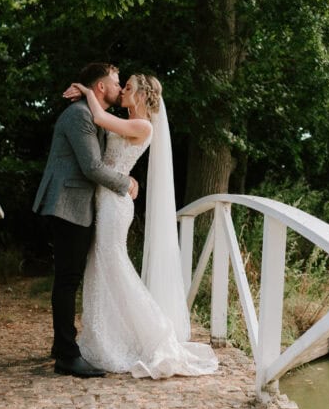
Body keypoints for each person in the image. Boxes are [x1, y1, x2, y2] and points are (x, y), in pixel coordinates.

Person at [64, 73, 218, 378]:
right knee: (101, 267)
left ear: (142, 96)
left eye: (129, 88)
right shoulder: (128, 120)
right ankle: (106, 338)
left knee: (114, 265)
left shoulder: (142, 126)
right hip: (105, 199)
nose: (123, 91)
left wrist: (85, 89)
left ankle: (156, 332)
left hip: (114, 204)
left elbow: (97, 116)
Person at [33, 63, 139, 378]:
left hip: (78, 204)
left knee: (68, 277)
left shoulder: (90, 113)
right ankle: (66, 355)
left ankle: (60, 345)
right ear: (101, 87)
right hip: (68, 203)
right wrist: (126, 184)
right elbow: (92, 166)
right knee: (68, 279)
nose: (121, 87)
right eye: (117, 81)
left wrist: (82, 88)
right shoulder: (79, 116)